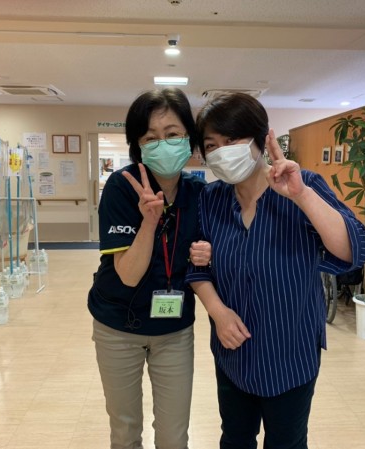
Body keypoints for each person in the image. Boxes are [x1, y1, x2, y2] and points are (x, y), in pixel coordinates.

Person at [187, 93, 365, 449]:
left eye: (232, 140)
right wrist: (218, 312)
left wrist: (301, 196)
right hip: (233, 352)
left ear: (260, 140)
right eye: (211, 145)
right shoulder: (211, 199)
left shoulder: (304, 185)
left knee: (287, 443)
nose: (221, 152)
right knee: (235, 440)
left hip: (289, 352)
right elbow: (195, 268)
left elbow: (356, 251)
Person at [87, 87, 210, 449]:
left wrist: (208, 254)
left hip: (173, 328)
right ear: (137, 145)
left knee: (174, 435)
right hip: (118, 325)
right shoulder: (121, 188)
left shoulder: (199, 194)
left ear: (189, 138)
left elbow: (208, 258)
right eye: (150, 138)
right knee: (125, 431)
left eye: (172, 134)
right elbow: (128, 274)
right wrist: (149, 222)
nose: (163, 144)